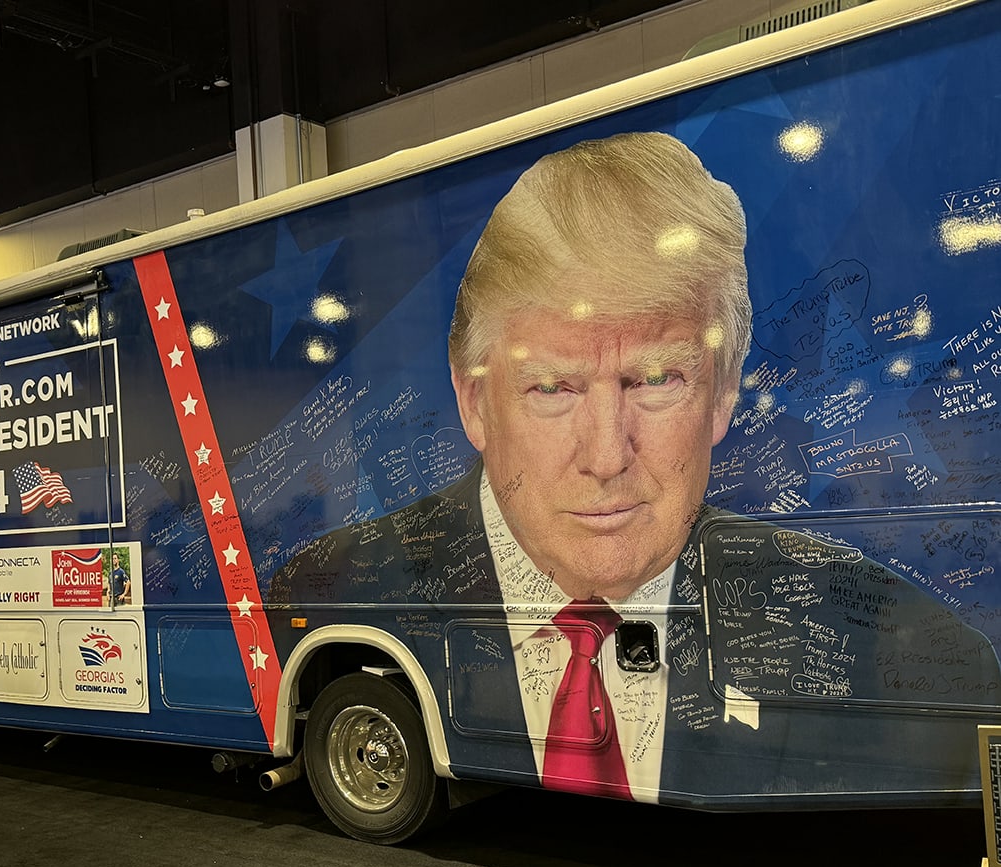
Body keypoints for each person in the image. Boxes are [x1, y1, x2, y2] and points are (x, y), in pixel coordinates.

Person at [267, 131, 1001, 805]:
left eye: (656, 380)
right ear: (475, 403)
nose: (607, 455)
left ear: (722, 394)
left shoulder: (914, 648)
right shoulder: (328, 585)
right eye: (552, 388)